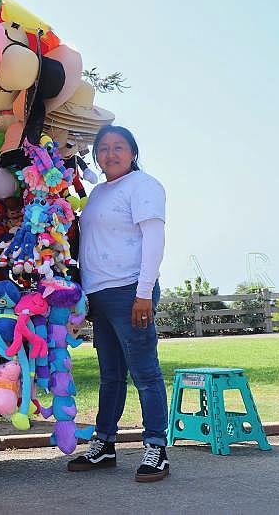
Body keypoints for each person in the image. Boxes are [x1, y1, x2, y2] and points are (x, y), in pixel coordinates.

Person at [67, 125, 170, 482]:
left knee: (145, 372)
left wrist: (144, 292)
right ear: (96, 155)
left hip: (131, 292)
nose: (111, 154)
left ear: (133, 152)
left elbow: (154, 239)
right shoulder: (96, 193)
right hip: (100, 293)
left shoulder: (144, 186)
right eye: (104, 148)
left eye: (119, 147)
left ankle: (156, 446)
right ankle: (105, 443)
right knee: (111, 374)